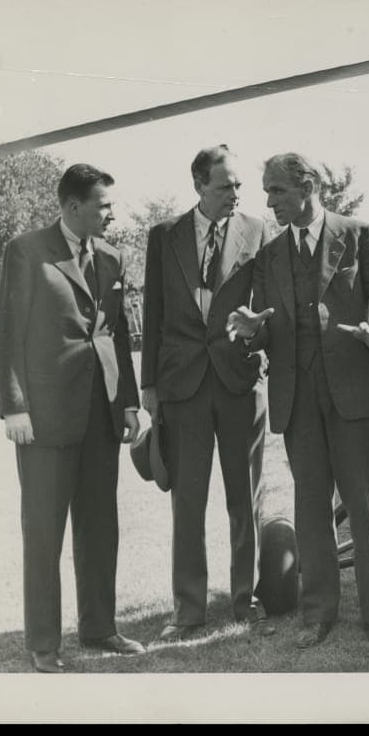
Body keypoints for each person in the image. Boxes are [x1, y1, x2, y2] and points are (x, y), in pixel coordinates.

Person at [227, 152, 369, 650]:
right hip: (297, 400)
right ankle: (318, 612)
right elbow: (267, 328)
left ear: (307, 187)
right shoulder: (269, 255)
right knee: (310, 510)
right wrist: (252, 332)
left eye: (277, 190)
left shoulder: (359, 235)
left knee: (364, 510)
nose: (269, 202)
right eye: (267, 191)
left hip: (353, 395)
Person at [0, 163, 144, 673]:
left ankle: (100, 628)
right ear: (73, 207)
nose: (112, 214)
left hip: (102, 415)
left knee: (100, 527)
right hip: (45, 418)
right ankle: (44, 643)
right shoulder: (26, 251)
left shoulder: (112, 257)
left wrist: (127, 402)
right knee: (44, 533)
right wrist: (14, 405)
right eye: (104, 205)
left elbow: (115, 334)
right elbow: (7, 333)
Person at [140, 145, 273, 642]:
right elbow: (153, 312)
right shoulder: (164, 236)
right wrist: (149, 385)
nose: (235, 194)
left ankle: (246, 599)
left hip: (240, 382)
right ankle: (188, 610)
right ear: (198, 185)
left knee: (245, 498)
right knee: (188, 501)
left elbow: (270, 308)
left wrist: (259, 337)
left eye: (238, 185)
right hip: (182, 386)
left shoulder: (258, 231)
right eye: (224, 186)